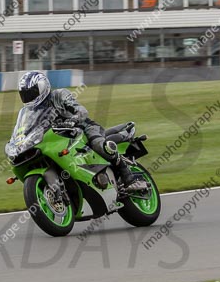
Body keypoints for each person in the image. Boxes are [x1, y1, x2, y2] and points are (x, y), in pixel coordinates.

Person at [17, 71, 147, 194]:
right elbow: (27, 129)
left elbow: (82, 111)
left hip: (84, 128)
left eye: (31, 93)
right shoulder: (30, 112)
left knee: (98, 145)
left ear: (42, 87)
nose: (28, 97)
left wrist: (73, 120)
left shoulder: (59, 95)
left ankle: (129, 177)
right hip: (60, 137)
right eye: (25, 94)